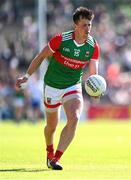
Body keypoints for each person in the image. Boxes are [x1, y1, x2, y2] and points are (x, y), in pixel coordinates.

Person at [15, 7, 100, 170]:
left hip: (72, 85)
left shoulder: (93, 46)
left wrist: (94, 90)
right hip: (52, 85)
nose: (88, 28)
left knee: (74, 118)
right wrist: (27, 75)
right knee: (51, 126)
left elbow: (93, 72)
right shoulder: (61, 40)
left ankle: (55, 159)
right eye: (84, 25)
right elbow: (40, 57)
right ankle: (49, 151)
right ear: (76, 25)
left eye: (89, 25)